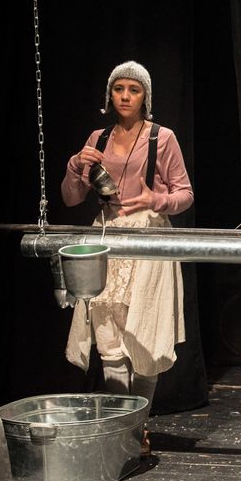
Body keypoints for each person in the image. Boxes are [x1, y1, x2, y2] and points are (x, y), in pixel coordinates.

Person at [61, 60, 193, 454]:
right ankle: (125, 432)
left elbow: (185, 193)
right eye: (119, 89)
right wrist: (75, 166)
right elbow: (71, 198)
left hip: (148, 239)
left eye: (133, 90)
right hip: (107, 238)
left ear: (144, 96)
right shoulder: (98, 138)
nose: (125, 96)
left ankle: (138, 427)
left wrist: (157, 200)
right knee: (109, 341)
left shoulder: (161, 138)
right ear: (110, 94)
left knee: (145, 338)